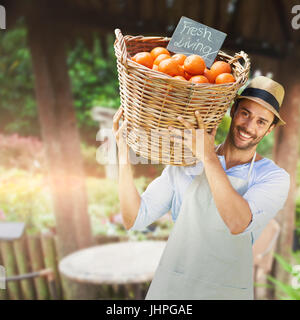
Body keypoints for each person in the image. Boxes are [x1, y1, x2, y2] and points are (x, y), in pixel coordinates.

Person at [112, 76, 290, 300]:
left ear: (270, 129)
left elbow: (238, 222)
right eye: (245, 113)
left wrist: (207, 155)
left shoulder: (273, 177)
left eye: (261, 121)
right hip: (173, 291)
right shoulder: (187, 160)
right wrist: (122, 153)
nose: (249, 126)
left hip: (225, 292)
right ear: (233, 110)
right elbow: (134, 218)